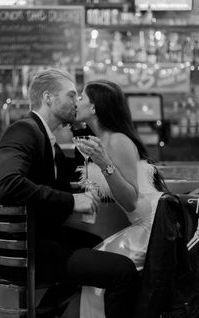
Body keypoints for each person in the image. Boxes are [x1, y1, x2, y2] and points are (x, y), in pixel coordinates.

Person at [0, 69, 140, 318]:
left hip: (30, 240)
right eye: (71, 95)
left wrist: (81, 128)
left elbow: (75, 171)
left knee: (94, 244)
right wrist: (72, 201)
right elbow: (7, 185)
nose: (77, 102)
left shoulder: (45, 137)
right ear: (48, 98)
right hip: (16, 250)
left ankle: (44, 313)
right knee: (123, 271)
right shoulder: (22, 130)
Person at [72, 79, 167, 318]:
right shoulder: (100, 141)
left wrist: (105, 164)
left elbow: (130, 201)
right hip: (142, 224)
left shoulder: (118, 140)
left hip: (154, 226)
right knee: (96, 274)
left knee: (98, 279)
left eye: (81, 97)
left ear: (94, 108)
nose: (76, 101)